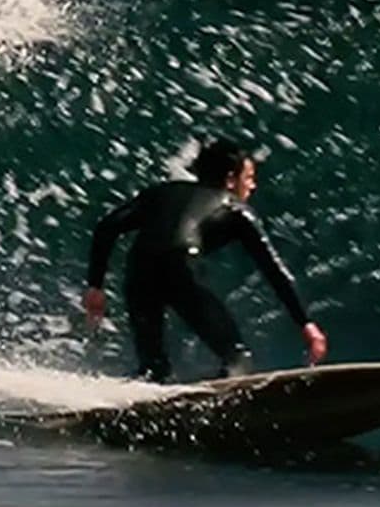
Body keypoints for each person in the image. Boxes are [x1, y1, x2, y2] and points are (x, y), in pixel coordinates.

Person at [84, 139, 328, 382]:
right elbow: (272, 267)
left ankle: (129, 402)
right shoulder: (235, 209)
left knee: (153, 366)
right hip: (179, 267)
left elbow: (108, 226)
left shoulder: (162, 192)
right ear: (231, 179)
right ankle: (223, 404)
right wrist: (305, 323)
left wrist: (95, 285)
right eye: (249, 177)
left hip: (138, 269)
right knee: (236, 356)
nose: (252, 186)